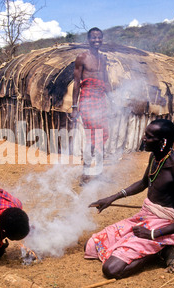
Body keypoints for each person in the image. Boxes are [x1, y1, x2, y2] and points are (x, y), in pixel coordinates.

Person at [85, 119, 174, 279]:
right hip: (144, 218)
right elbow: (144, 182)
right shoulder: (155, 157)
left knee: (111, 269)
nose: (143, 139)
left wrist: (153, 234)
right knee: (91, 245)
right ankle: (157, 248)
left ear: (163, 141)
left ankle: (158, 251)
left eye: (149, 136)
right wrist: (112, 198)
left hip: (161, 225)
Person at [71, 27, 111, 185]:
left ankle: (99, 172)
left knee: (101, 139)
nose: (97, 40)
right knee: (92, 139)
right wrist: (74, 107)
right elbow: (76, 83)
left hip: (101, 100)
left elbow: (106, 81)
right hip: (87, 100)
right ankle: (86, 175)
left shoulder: (103, 58)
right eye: (93, 38)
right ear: (88, 40)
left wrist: (114, 100)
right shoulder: (82, 57)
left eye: (99, 38)